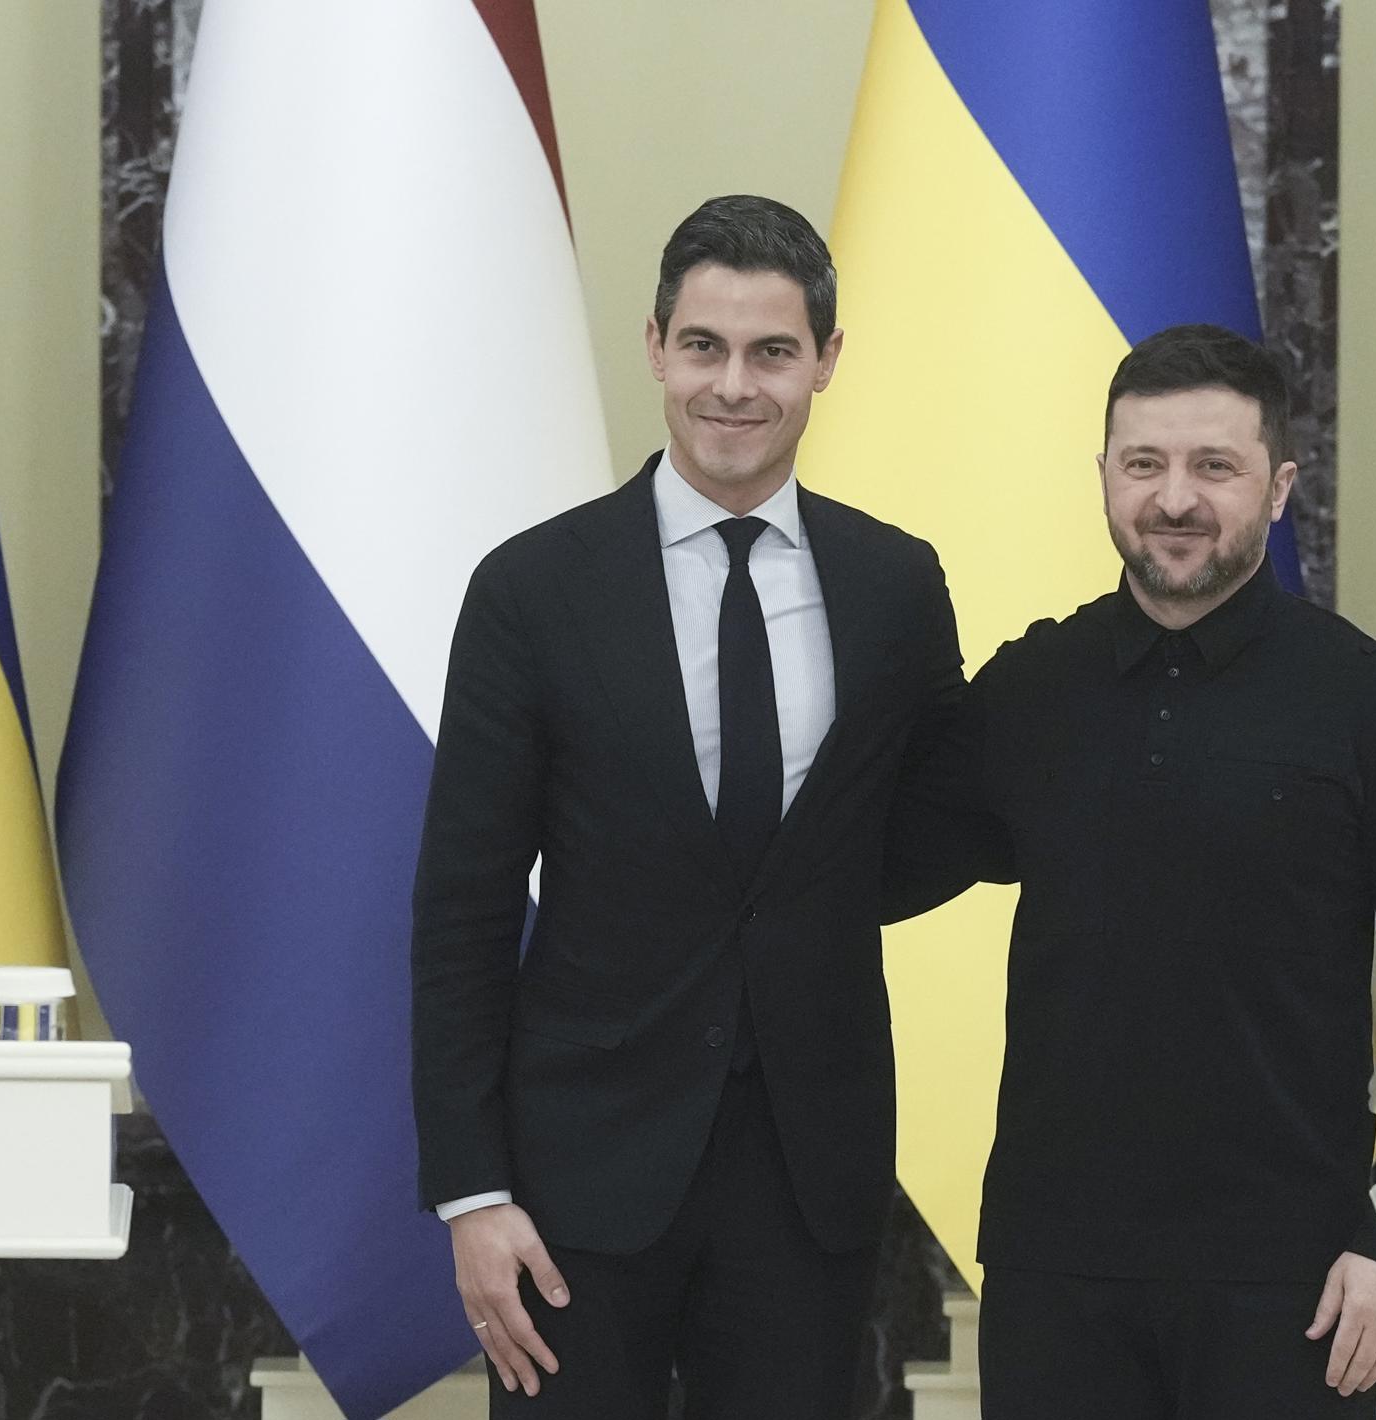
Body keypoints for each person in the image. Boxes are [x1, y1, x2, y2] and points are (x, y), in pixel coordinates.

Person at [410, 194, 962, 1419]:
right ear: (655, 345)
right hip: (574, 1183)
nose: (735, 386)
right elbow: (463, 907)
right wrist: (471, 1190)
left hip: (807, 1176)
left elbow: (925, 824)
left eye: (773, 351)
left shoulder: (896, 584)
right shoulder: (532, 589)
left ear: (825, 360)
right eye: (704, 346)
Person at [900, 324, 1376, 1418]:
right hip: (1052, 1271)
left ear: (1278, 486)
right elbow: (868, 869)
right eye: (1145, 464)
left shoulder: (1371, 704)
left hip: (1300, 1278)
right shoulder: (1032, 689)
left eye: (1214, 466)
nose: (1175, 498)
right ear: (1105, 477)